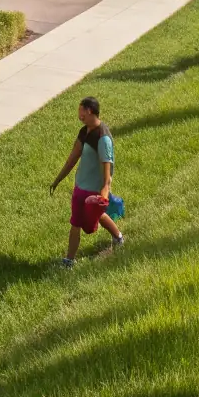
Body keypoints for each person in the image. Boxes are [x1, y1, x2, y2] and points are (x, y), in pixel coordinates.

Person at [50, 96, 124, 268]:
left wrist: (103, 195)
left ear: (89, 111)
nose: (79, 116)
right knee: (83, 219)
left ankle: (70, 261)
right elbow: (72, 158)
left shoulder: (103, 138)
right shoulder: (84, 132)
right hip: (80, 186)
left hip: (93, 190)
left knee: (83, 221)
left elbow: (107, 174)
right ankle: (117, 237)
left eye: (81, 111)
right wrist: (58, 179)